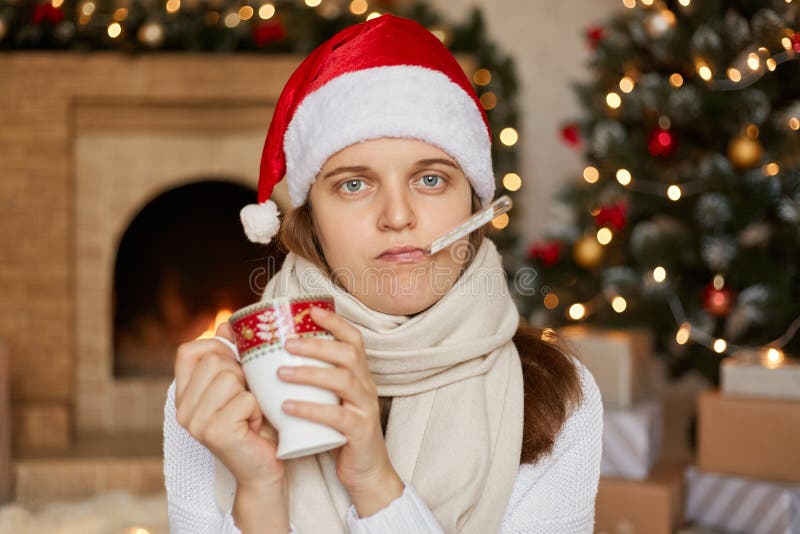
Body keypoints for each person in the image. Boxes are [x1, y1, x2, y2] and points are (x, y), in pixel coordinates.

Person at [163, 13, 602, 534]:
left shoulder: (558, 394)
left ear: (474, 205)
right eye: (354, 185)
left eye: (431, 179)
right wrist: (260, 492)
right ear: (312, 221)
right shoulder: (215, 396)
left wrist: (374, 481)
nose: (397, 216)